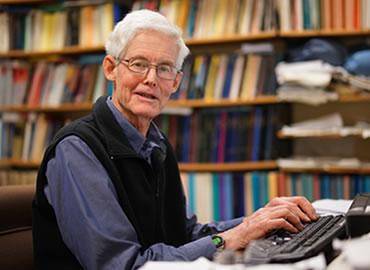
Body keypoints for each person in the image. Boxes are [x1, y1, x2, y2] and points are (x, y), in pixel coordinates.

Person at [32, 9, 318, 270]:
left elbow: (185, 235)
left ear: (176, 83)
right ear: (111, 69)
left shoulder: (156, 144)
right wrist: (234, 237)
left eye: (165, 68)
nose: (151, 79)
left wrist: (258, 220)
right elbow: (124, 266)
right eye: (138, 64)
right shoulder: (77, 150)